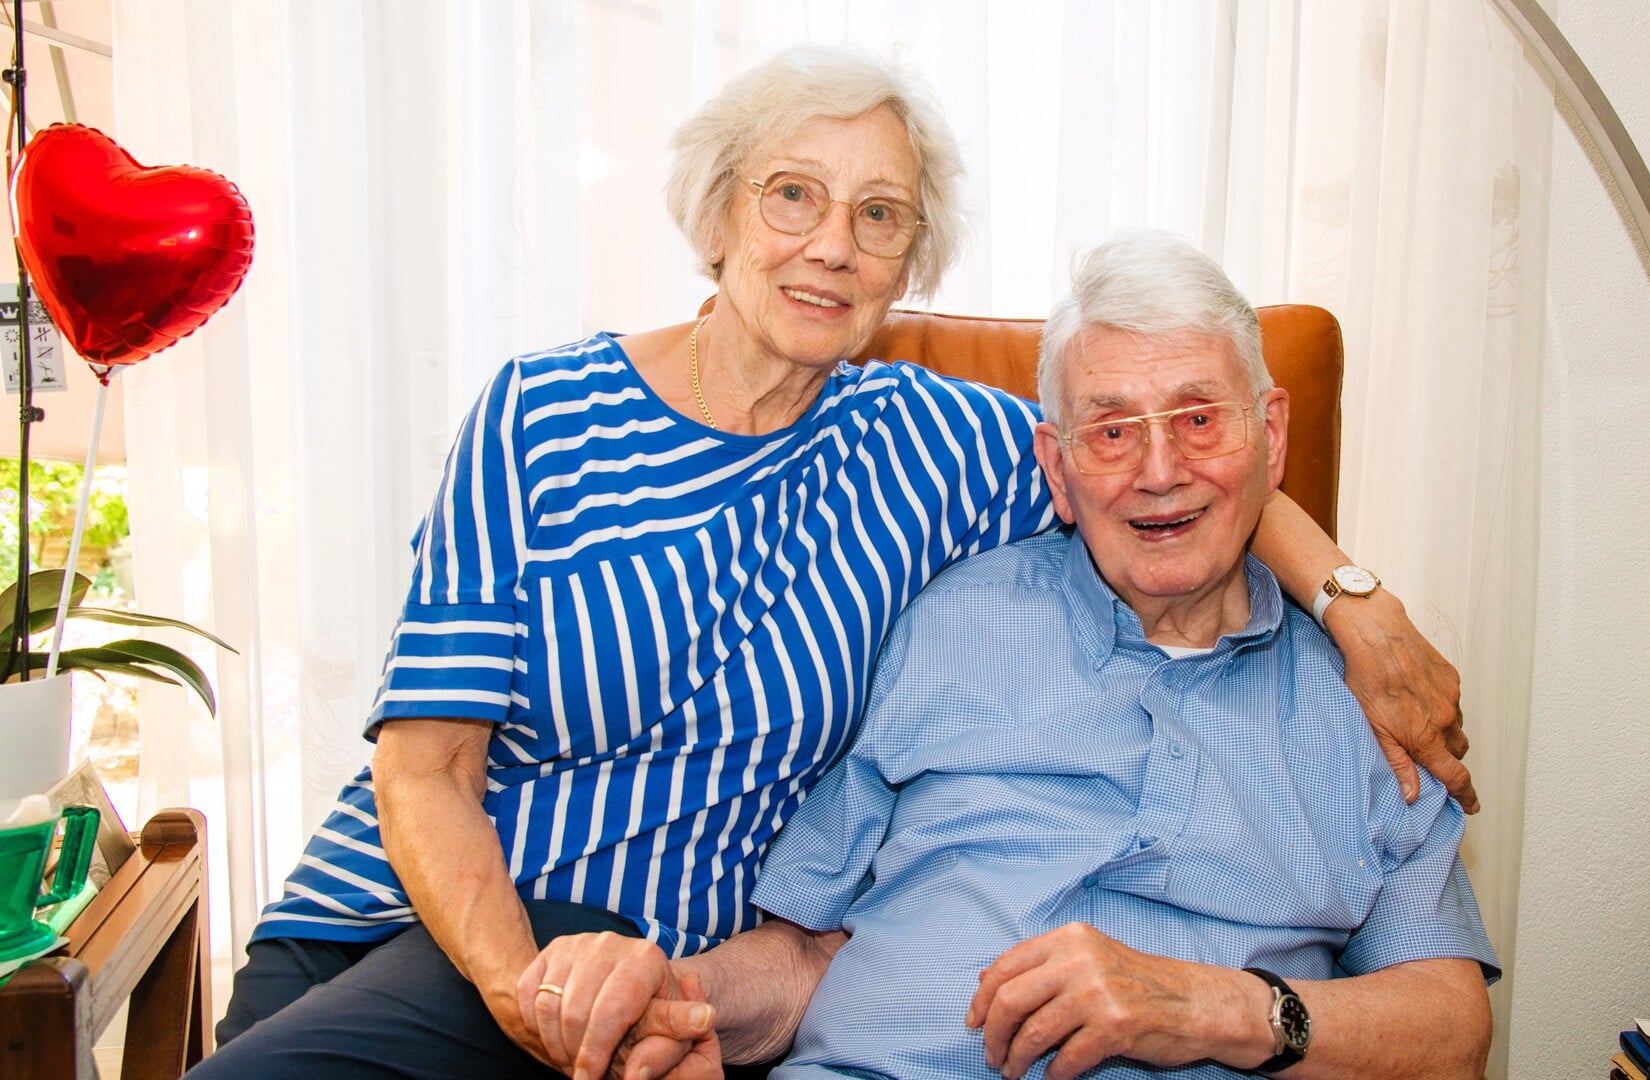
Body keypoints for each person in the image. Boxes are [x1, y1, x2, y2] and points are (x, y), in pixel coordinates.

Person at [189, 48, 1472, 1080]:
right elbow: (424, 768)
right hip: (444, 921)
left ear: (906, 263)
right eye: (792, 194)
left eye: (878, 216)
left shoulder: (930, 441)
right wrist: (525, 992)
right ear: (716, 214)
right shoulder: (541, 417)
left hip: (668, 976)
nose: (831, 244)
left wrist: (1355, 602)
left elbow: (1167, 465)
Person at [535, 233, 1496, 1080]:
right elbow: (807, 955)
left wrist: (1211, 1008)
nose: (1160, 472)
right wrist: (675, 995)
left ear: (1271, 432)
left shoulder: (1371, 702)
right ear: (1057, 468)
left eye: (1199, 417)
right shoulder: (950, 619)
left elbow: (1452, 1034)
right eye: (1112, 432)